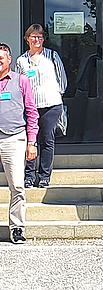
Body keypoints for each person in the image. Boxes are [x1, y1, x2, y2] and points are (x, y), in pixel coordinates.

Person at [16, 24, 67, 188]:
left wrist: (57, 95)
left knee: (47, 140)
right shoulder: (21, 60)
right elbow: (19, 84)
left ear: (44, 39)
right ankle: (29, 176)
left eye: (40, 36)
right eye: (33, 36)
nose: (36, 39)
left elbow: (62, 80)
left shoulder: (52, 56)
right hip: (30, 108)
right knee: (30, 141)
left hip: (51, 105)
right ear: (27, 39)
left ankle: (44, 176)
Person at [0, 43, 38, 243]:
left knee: (17, 185)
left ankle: (17, 228)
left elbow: (32, 113)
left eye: (1, 59)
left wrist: (32, 142)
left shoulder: (21, 81)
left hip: (14, 138)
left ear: (9, 60)